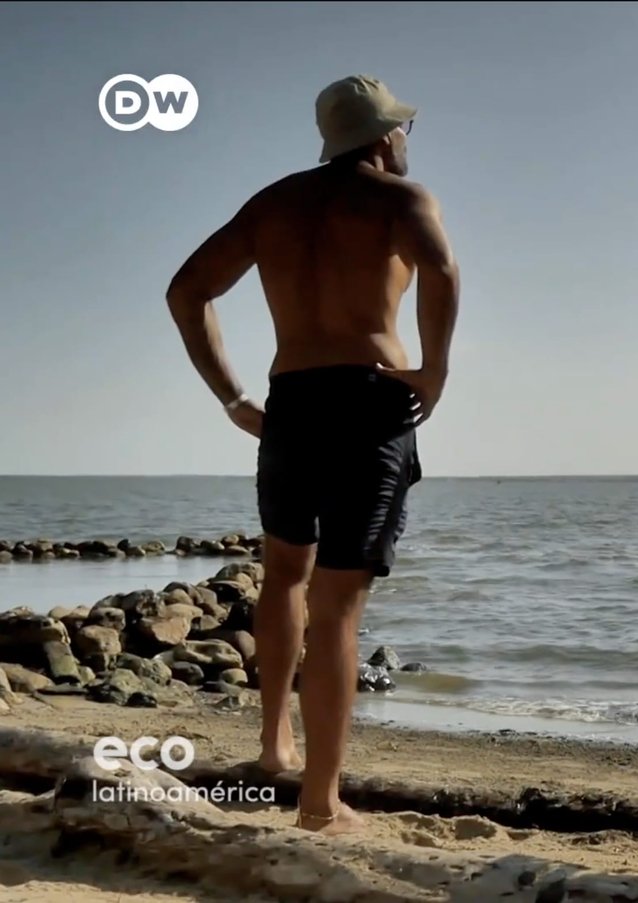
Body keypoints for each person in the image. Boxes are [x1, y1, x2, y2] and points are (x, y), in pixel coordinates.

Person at [164, 74, 459, 834]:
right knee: (337, 606)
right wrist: (435, 366)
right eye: (402, 131)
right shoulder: (403, 199)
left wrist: (232, 397)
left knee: (285, 574)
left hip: (291, 397)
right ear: (384, 136)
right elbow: (443, 269)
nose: (406, 142)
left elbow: (185, 290)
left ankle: (273, 748)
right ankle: (321, 802)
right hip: (369, 398)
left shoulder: (274, 204)